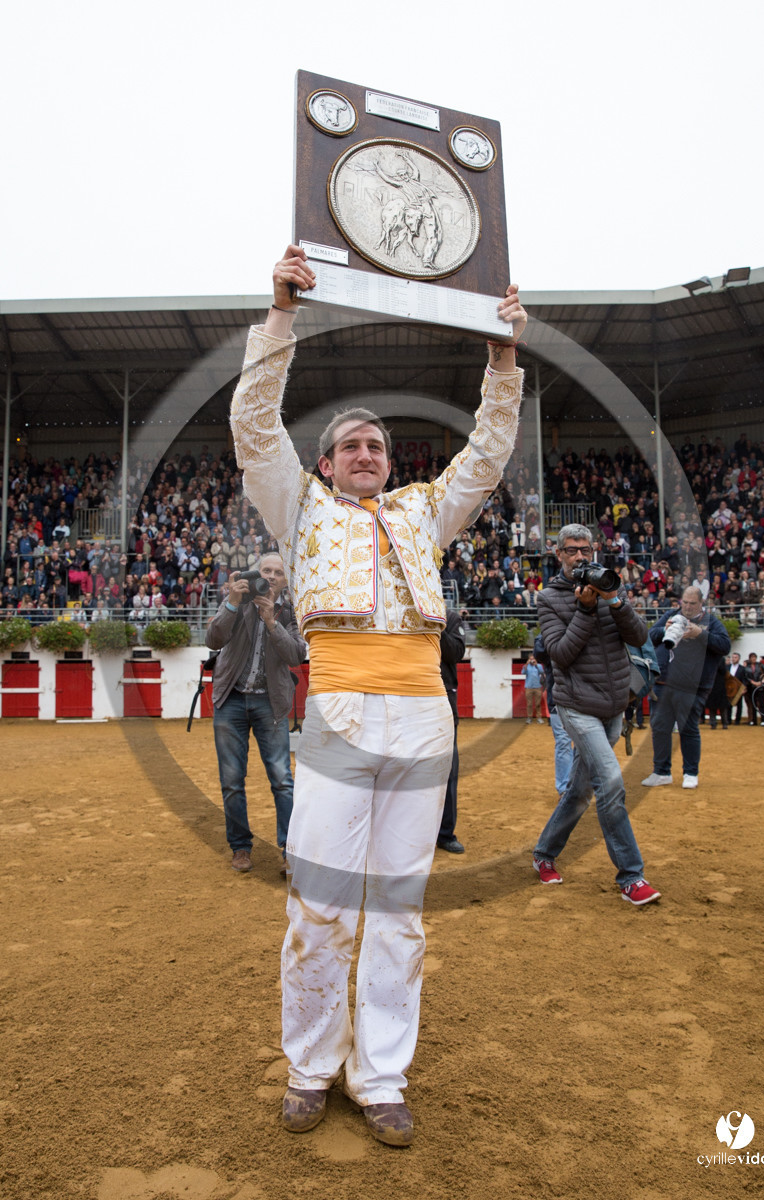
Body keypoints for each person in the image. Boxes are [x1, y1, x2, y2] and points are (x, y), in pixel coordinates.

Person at [229, 244, 525, 1146]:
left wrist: (503, 359)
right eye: (351, 445)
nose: (367, 453)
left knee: (399, 905)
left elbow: (486, 456)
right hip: (340, 713)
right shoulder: (302, 507)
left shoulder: (421, 512)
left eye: (379, 446)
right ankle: (313, 1067)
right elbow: (253, 424)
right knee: (319, 900)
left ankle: (382, 1074)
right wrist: (281, 315)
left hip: (424, 719)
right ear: (324, 465)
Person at [532, 524, 660, 906]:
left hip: (614, 706)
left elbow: (639, 636)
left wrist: (615, 601)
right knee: (611, 784)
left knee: (579, 792)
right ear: (558, 555)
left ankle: (543, 854)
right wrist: (585, 610)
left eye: (585, 549)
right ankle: (631, 877)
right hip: (576, 707)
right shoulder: (549, 598)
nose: (580, 557)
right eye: (571, 551)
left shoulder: (607, 586)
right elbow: (561, 653)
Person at [205, 553, 306, 873]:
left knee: (282, 780)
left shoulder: (290, 611)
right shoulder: (239, 600)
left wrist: (272, 622)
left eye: (278, 572)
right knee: (232, 780)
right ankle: (240, 847)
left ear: (285, 580)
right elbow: (213, 639)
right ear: (256, 572)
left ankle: (290, 850)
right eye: (267, 571)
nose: (272, 576)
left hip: (270, 703)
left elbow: (296, 654)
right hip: (231, 699)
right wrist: (233, 603)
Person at [641, 586, 731, 790]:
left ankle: (691, 773)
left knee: (688, 729)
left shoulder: (711, 622)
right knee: (660, 728)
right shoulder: (671, 615)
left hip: (692, 686)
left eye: (692, 603)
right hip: (663, 683)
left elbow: (725, 646)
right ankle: (661, 771)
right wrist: (666, 629)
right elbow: (650, 635)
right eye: (685, 603)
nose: (688, 607)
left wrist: (699, 634)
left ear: (701, 604)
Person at [436, 608, 467, 854]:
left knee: (448, 770)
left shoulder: (450, 617)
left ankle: (445, 833)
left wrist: (436, 626)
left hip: (444, 697)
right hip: (410, 695)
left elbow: (456, 653)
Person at [534, 633, 574, 797]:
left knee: (579, 744)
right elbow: (539, 652)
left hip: (582, 698)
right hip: (559, 698)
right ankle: (565, 788)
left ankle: (574, 786)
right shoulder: (546, 635)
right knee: (564, 742)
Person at [523, 650, 545, 724]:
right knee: (529, 704)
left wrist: (536, 665)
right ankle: (529, 718)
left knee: (538, 703)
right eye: (531, 659)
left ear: (535, 659)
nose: (532, 660)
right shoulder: (526, 666)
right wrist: (526, 664)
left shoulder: (539, 666)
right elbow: (523, 672)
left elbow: (542, 672)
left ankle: (539, 718)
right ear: (529, 659)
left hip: (537, 687)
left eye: (533, 659)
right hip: (528, 687)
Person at [727, 651, 747, 724]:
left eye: (735, 657)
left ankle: (737, 720)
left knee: (739, 705)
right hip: (729, 689)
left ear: (739, 659)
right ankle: (728, 720)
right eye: (733, 657)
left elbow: (744, 679)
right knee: (728, 705)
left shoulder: (742, 668)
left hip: (738, 689)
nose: (733, 659)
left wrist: (744, 688)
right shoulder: (727, 667)